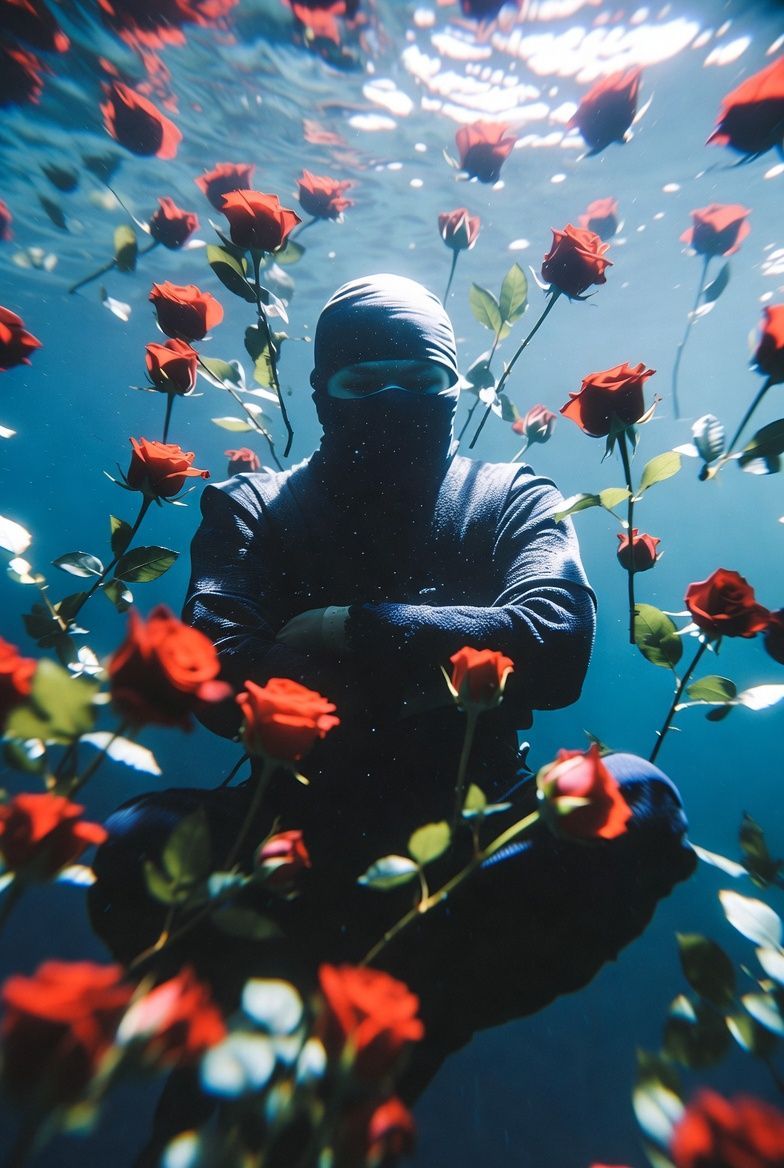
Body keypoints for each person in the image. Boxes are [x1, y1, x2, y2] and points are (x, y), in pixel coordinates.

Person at [89, 274, 695, 1112]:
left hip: (470, 843)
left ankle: (398, 1012)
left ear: (453, 383)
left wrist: (346, 627)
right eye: (362, 382)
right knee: (132, 844)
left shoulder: (512, 498)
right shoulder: (253, 505)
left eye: (421, 380)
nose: (394, 401)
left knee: (641, 802)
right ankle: (349, 1024)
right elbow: (220, 674)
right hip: (286, 837)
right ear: (321, 393)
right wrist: (450, 659)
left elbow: (558, 646)